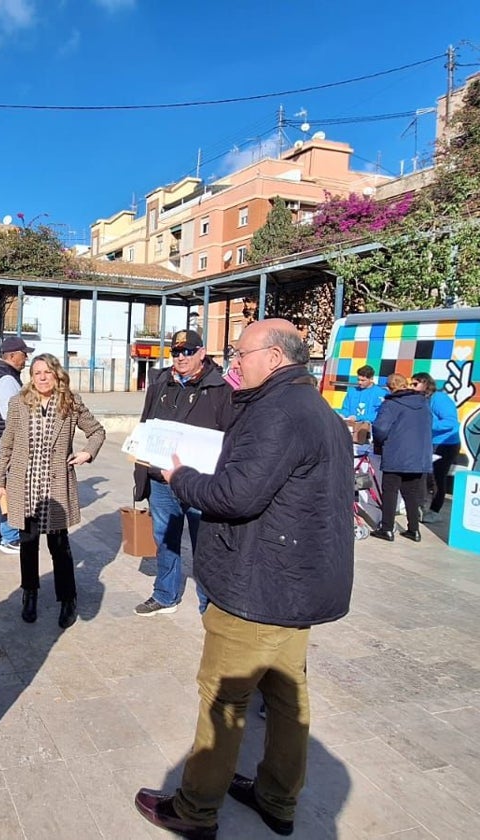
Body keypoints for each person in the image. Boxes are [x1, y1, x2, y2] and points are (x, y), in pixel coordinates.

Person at [134, 318, 354, 839]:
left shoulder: (276, 411)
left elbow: (235, 496)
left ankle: (194, 809)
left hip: (258, 584)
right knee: (285, 696)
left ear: (275, 358)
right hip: (296, 583)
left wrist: (180, 476)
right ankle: (277, 798)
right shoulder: (313, 407)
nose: (234, 362)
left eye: (242, 353)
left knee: (226, 698)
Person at [0, 353, 105, 629]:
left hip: (55, 488)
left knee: (59, 546)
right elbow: (6, 444)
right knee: (27, 545)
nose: (42, 378)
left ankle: (68, 599)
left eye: (47, 373)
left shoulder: (70, 402)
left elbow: (97, 431)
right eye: (37, 372)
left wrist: (86, 454)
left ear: (57, 375)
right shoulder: (18, 403)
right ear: (31, 376)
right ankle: (29, 594)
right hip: (25, 486)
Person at [132, 329, 234, 617]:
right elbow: (146, 423)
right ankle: (165, 595)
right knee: (165, 540)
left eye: (188, 351)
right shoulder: (161, 382)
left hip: (200, 483)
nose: (181, 357)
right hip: (161, 481)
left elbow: (230, 437)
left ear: (202, 352)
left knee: (205, 546)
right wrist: (141, 468)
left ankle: (209, 605)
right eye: (176, 352)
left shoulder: (220, 390)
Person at [0, 336, 33, 554]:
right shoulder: (5, 379)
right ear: (12, 356)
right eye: (24, 354)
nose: (26, 358)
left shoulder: (2, 375)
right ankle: (10, 537)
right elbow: (11, 416)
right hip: (8, 445)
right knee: (10, 490)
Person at [370, 372, 432, 542]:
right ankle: (414, 529)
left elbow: (380, 429)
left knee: (390, 492)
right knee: (411, 493)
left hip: (397, 454)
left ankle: (387, 528)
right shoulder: (423, 402)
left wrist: (378, 442)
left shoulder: (392, 403)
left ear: (390, 387)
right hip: (418, 456)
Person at [411, 371, 461, 524]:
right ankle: (423, 507)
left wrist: (427, 425)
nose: (411, 387)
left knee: (437, 478)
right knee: (424, 477)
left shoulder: (439, 399)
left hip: (445, 444)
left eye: (415, 384)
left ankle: (435, 511)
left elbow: (451, 422)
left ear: (425, 384)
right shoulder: (423, 399)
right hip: (430, 442)